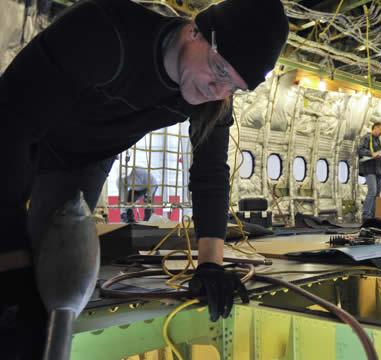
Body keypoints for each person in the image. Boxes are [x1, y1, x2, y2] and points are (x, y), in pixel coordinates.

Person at [0, 0, 289, 357]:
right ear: (196, 31)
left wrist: (211, 265)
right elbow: (9, 123)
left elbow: (210, 171)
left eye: (234, 86)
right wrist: (12, 254)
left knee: (42, 299)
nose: (218, 89)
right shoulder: (106, 33)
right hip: (18, 133)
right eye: (219, 69)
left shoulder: (211, 100)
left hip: (78, 164)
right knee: (11, 267)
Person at [358, 122, 381, 220]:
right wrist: (372, 154)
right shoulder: (367, 138)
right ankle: (366, 215)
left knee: (378, 193)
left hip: (378, 170)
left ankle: (375, 216)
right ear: (375, 128)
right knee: (372, 191)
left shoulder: (378, 141)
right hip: (369, 169)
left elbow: (380, 158)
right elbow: (360, 150)